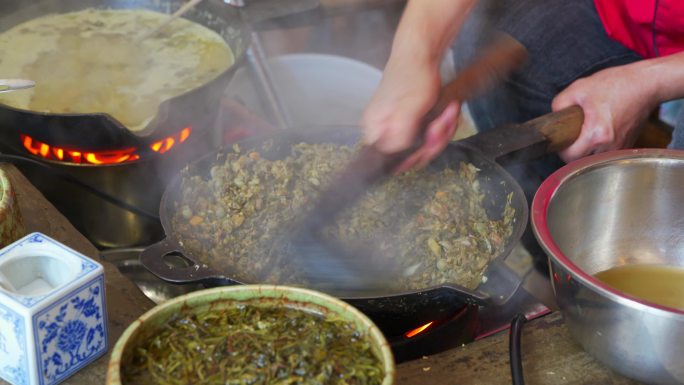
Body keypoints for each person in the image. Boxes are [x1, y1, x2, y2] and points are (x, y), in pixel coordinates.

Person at [362, 0, 684, 174]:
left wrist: (649, 82)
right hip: (618, 9)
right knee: (481, 40)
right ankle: (548, 256)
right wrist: (413, 56)